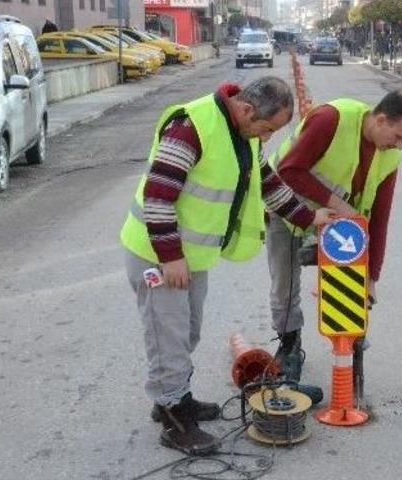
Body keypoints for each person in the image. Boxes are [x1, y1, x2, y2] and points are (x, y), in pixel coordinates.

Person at [120, 77, 336, 457]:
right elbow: (158, 193)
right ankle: (173, 417)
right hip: (158, 254)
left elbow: (268, 184)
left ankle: (173, 399)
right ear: (248, 109)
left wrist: (309, 217)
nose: (267, 138)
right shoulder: (192, 127)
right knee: (167, 336)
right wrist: (170, 255)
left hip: (188, 257)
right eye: (267, 129)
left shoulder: (244, 135)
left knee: (186, 332)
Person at [265, 90, 402, 382]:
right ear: (380, 120)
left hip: (336, 224)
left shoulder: (390, 155)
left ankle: (349, 338)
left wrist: (371, 278)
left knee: (352, 275)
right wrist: (338, 205)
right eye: (400, 136)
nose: (400, 145)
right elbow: (288, 171)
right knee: (285, 285)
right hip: (288, 209)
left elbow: (378, 218)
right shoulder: (331, 119)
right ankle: (289, 346)